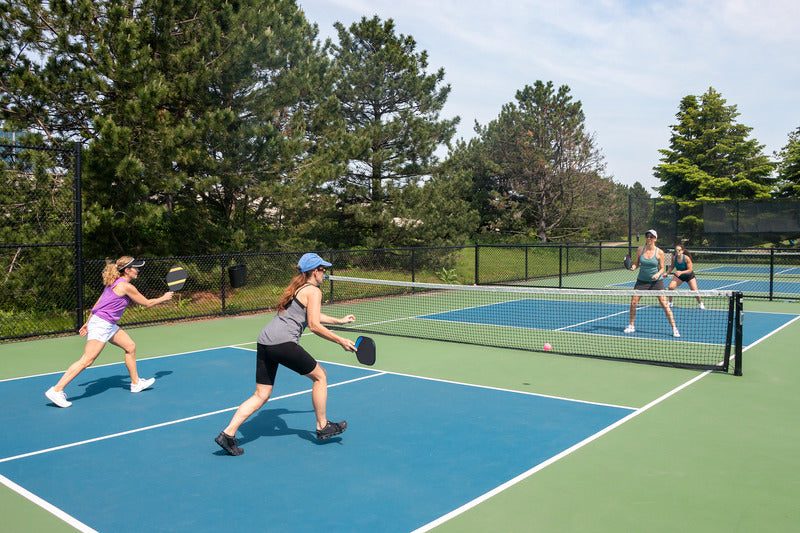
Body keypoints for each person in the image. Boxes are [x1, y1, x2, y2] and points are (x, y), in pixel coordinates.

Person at [214, 253, 357, 456]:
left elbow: (312, 315)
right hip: (282, 343)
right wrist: (341, 340)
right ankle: (323, 426)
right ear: (314, 271)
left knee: (261, 394)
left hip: (265, 341)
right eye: (323, 269)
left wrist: (339, 321)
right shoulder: (314, 291)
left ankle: (227, 435)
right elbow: (314, 325)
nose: (325, 273)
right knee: (320, 376)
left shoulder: (298, 288)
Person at [45, 257, 174, 408]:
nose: (137, 270)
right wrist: (164, 298)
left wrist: (88, 322)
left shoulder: (113, 281)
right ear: (127, 270)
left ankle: (135, 383)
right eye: (135, 268)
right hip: (102, 324)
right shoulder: (125, 286)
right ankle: (56, 390)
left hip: (105, 323)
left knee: (130, 346)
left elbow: (99, 303)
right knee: (87, 360)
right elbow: (147, 303)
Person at [624, 229, 680, 338]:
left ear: (655, 239)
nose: (649, 238)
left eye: (651, 236)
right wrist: (632, 268)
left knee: (664, 304)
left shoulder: (660, 252)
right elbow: (636, 264)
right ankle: (631, 325)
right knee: (633, 303)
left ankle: (674, 328)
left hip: (656, 282)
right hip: (641, 281)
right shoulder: (640, 249)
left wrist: (658, 274)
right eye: (647, 236)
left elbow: (662, 268)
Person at [666, 245, 705, 309]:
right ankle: (670, 302)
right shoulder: (674, 258)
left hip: (689, 276)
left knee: (694, 290)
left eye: (679, 250)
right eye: (676, 250)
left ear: (682, 251)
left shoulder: (687, 258)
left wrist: (681, 272)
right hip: (679, 276)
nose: (677, 251)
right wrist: (667, 273)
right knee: (670, 287)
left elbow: (690, 270)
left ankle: (700, 303)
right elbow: (671, 267)